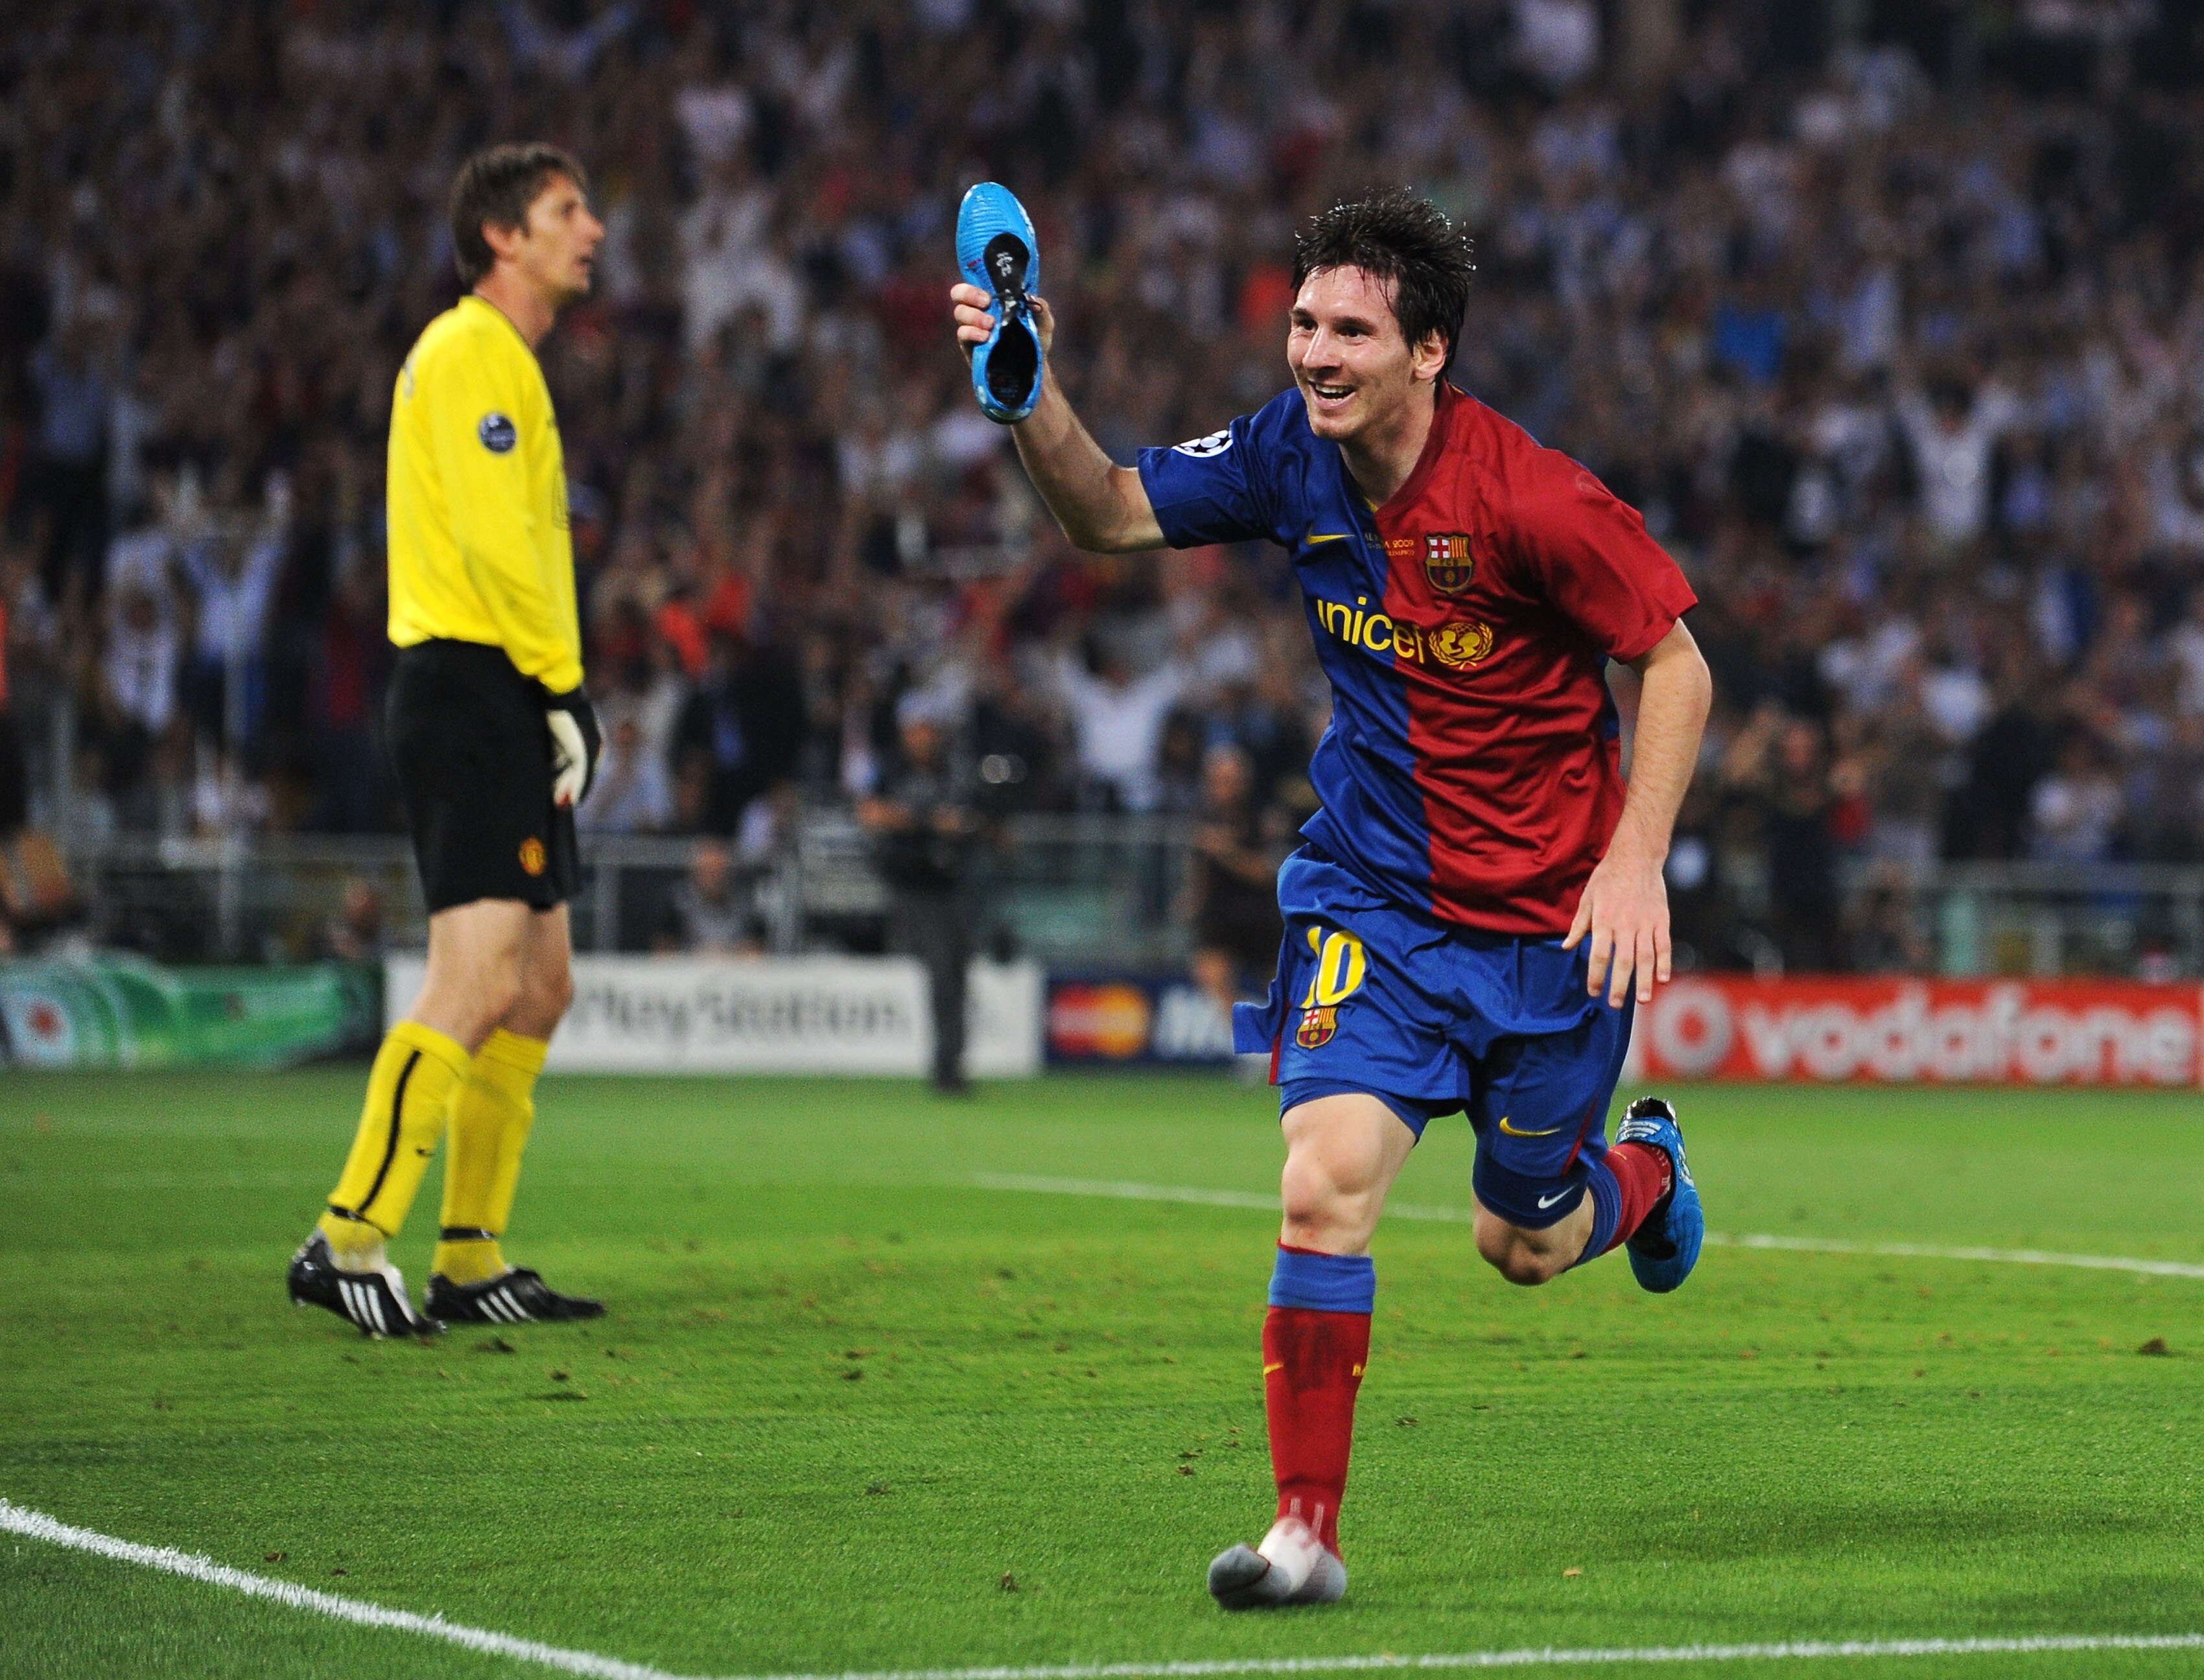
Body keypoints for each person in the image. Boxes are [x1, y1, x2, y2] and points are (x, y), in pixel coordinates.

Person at [950, 187, 1713, 1607]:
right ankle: (1305, 1534)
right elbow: (1107, 511)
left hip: (1551, 930)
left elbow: (1671, 663)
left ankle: (1649, 1174)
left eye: (1347, 330)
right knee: (1320, 1191)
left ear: (1425, 352)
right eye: (1302, 322)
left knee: (1524, 1239)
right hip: (1373, 901)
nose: (1312, 353)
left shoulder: (1532, 498)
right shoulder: (1279, 456)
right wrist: (1025, 393)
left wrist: (1633, 858)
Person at [287, 143, 607, 1337]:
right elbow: (490, 550)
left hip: (507, 688)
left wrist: (561, 697)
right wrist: (564, 689)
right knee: (474, 981)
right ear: (502, 239)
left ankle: (470, 1258)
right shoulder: (470, 351)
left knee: (539, 984)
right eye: (568, 211)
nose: (596, 229)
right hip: (476, 687)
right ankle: (346, 1236)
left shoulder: (505, 363)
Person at [858, 690, 981, 1094]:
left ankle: (952, 1061)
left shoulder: (954, 769)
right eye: (917, 730)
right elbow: (873, 815)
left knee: (958, 970)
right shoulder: (888, 768)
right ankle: (946, 1068)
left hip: (947, 881)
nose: (924, 737)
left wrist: (914, 822)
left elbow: (966, 820)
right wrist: (928, 823)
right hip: (908, 881)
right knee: (943, 968)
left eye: (930, 729)